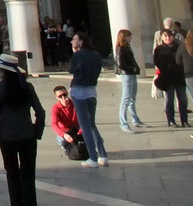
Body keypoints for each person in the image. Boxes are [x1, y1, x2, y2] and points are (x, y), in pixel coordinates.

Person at [0, 54, 44, 206]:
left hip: (6, 136)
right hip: (27, 135)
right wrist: (37, 131)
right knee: (28, 174)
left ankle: (16, 205)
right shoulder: (27, 87)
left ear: (3, 72)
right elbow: (40, 111)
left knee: (12, 174)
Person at [69, 32, 109, 166]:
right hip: (92, 90)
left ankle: (93, 157)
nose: (72, 41)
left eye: (74, 39)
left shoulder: (78, 55)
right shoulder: (96, 54)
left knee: (85, 125)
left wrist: (75, 53)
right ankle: (102, 155)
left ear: (81, 42)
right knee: (91, 123)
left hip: (79, 90)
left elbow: (71, 70)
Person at [152, 31, 188, 127]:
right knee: (169, 99)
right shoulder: (159, 49)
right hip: (167, 77)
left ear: (172, 37)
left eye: (169, 36)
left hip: (179, 76)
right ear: (162, 38)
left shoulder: (179, 47)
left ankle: (184, 120)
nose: (167, 38)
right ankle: (171, 120)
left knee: (182, 99)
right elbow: (156, 62)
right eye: (165, 36)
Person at [114, 29, 145, 132]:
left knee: (132, 98)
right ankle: (123, 123)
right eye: (129, 36)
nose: (130, 38)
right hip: (126, 75)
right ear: (124, 37)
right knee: (126, 99)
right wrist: (132, 68)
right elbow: (120, 64)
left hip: (131, 74)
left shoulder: (127, 47)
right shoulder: (121, 48)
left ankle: (135, 120)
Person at [50, 85, 81, 150]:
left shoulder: (75, 103)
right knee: (66, 145)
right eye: (60, 96)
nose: (63, 98)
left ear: (67, 93)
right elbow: (54, 124)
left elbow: (85, 118)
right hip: (65, 131)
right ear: (57, 97)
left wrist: (81, 131)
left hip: (76, 128)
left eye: (65, 94)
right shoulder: (56, 108)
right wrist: (64, 134)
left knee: (91, 140)